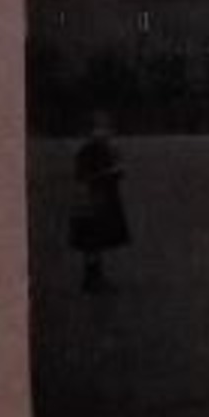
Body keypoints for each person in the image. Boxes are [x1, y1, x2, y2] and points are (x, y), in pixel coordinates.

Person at [70, 119, 130, 293]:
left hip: (96, 199)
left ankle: (94, 277)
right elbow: (85, 175)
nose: (106, 134)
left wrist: (115, 170)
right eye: (101, 130)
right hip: (93, 200)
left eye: (107, 130)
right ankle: (92, 279)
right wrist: (112, 172)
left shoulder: (103, 150)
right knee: (92, 241)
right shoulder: (90, 151)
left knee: (95, 241)